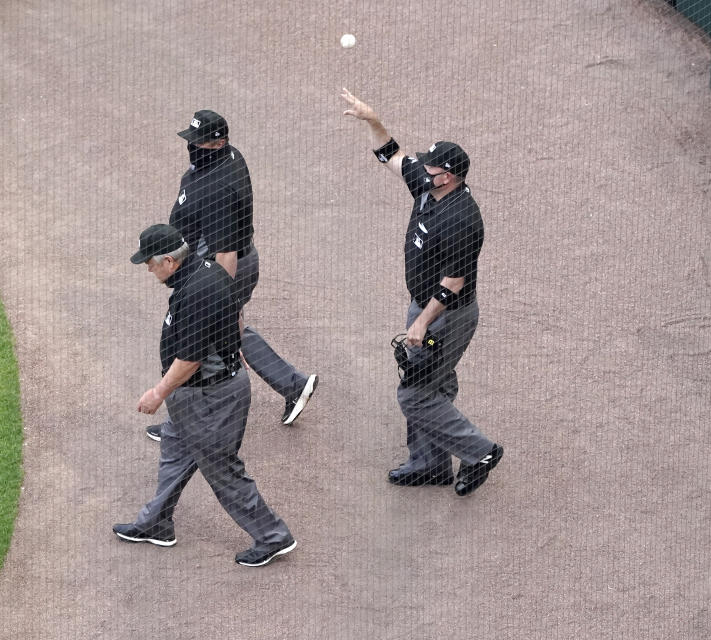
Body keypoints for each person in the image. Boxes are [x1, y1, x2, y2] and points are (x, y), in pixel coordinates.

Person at [339, 88, 503, 497]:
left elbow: (454, 284)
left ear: (447, 175)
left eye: (430, 166)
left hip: (446, 314)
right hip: (425, 304)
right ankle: (430, 464)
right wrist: (373, 120)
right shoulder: (429, 187)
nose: (421, 169)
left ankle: (480, 451)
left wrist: (421, 323)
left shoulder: (462, 219)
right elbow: (390, 156)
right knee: (436, 382)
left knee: (414, 394)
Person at [114, 224, 297, 567]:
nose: (149, 271)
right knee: (176, 451)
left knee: (222, 469)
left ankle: (273, 536)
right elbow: (232, 316)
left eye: (150, 264)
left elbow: (190, 359)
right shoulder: (206, 267)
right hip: (204, 395)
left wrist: (158, 392)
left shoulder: (195, 291)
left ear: (168, 260)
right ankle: (156, 522)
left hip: (209, 398)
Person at [145, 109, 317, 442]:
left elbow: (226, 251)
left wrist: (217, 298)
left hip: (223, 269)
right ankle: (293, 384)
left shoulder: (220, 189)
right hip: (217, 265)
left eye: (200, 142)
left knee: (199, 342)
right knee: (228, 335)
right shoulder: (222, 160)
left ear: (220, 142)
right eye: (191, 140)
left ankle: (180, 428)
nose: (193, 147)